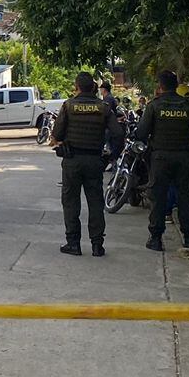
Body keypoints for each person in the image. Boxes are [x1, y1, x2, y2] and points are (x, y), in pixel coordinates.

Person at [135, 70, 189, 252]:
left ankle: (155, 238)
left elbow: (141, 133)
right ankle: (188, 238)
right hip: (184, 157)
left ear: (160, 87)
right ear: (176, 86)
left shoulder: (154, 106)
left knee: (158, 197)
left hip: (160, 157)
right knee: (185, 197)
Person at [51, 71, 112, 257]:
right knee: (95, 202)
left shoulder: (69, 106)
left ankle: (73, 244)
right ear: (93, 88)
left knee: (71, 202)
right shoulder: (104, 107)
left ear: (77, 87)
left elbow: (57, 134)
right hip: (94, 161)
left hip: (72, 161)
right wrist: (110, 157)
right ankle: (97, 245)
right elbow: (117, 134)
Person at [100, 81, 126, 162]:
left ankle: (111, 163)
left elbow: (107, 113)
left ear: (104, 89)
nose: (100, 91)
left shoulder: (108, 99)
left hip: (109, 126)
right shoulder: (109, 98)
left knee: (109, 147)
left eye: (101, 89)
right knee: (109, 146)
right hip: (110, 125)